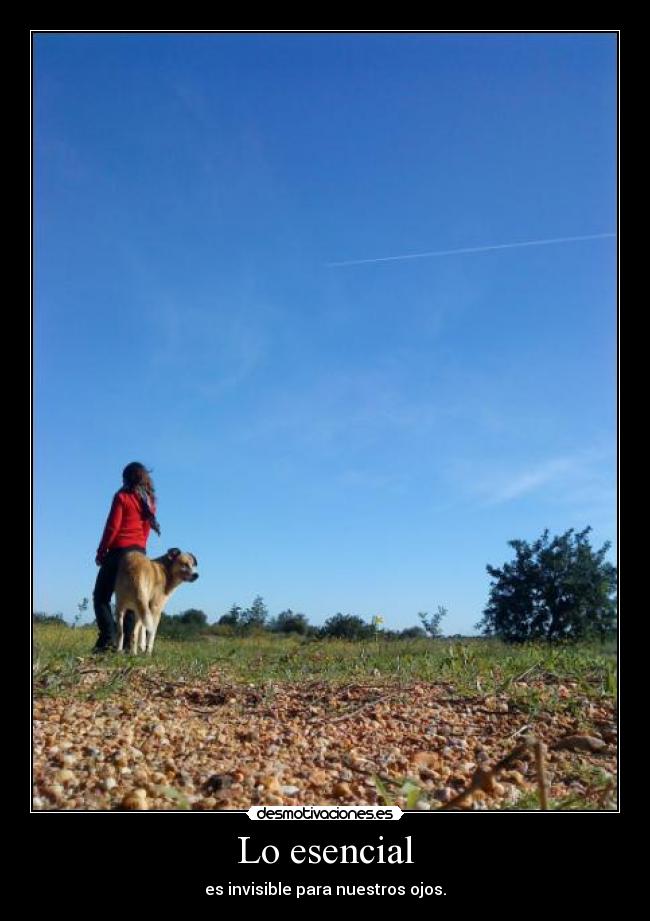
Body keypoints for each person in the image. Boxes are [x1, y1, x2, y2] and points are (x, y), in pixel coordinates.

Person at [92, 462, 161, 653]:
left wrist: (101, 552)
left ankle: (108, 639)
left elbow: (112, 526)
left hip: (119, 552)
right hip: (140, 553)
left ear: (126, 478)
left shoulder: (122, 496)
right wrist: (140, 550)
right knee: (134, 599)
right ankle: (129, 644)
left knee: (101, 597)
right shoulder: (149, 502)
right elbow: (146, 530)